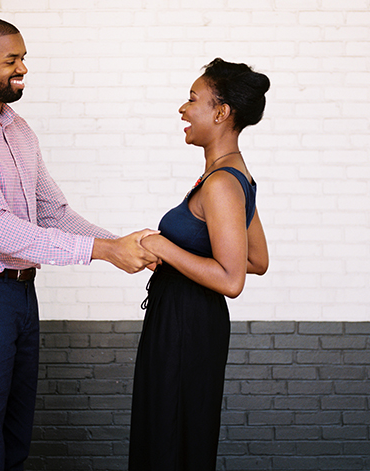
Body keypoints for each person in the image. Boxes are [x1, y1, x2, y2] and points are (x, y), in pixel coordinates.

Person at [0, 15, 158, 471]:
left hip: (18, 296)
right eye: (11, 59)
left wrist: (122, 244)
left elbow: (53, 212)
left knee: (13, 439)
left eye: (24, 58)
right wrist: (105, 252)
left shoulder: (17, 128)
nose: (23, 68)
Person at [128, 59, 270, 471]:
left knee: (170, 437)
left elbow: (233, 278)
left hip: (185, 324)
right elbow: (257, 258)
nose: (183, 110)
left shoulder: (223, 183)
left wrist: (163, 246)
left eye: (193, 100)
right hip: (187, 319)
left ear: (221, 113)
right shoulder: (230, 177)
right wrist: (176, 260)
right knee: (175, 430)